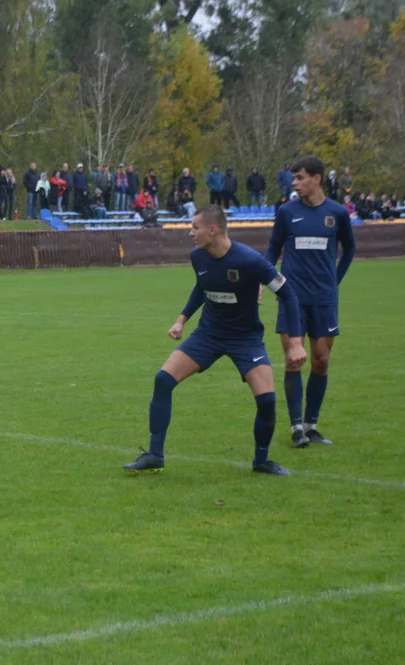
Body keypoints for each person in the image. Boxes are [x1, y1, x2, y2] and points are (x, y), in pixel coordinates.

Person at [124, 204, 305, 476]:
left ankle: (262, 461)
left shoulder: (250, 260)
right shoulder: (198, 257)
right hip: (208, 334)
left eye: (194, 227)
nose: (190, 232)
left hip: (245, 338)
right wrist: (182, 319)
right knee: (163, 380)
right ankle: (154, 455)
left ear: (213, 229)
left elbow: (288, 294)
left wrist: (295, 343)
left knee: (266, 400)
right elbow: (202, 286)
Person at [263, 155, 355, 448]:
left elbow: (350, 249)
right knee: (294, 359)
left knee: (321, 360)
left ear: (317, 178)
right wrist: (264, 281)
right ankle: (295, 429)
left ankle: (311, 426)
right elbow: (273, 248)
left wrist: (334, 281)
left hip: (324, 299)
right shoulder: (287, 212)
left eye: (300, 177)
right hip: (292, 297)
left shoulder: (337, 213)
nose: (295, 183)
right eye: (294, 178)